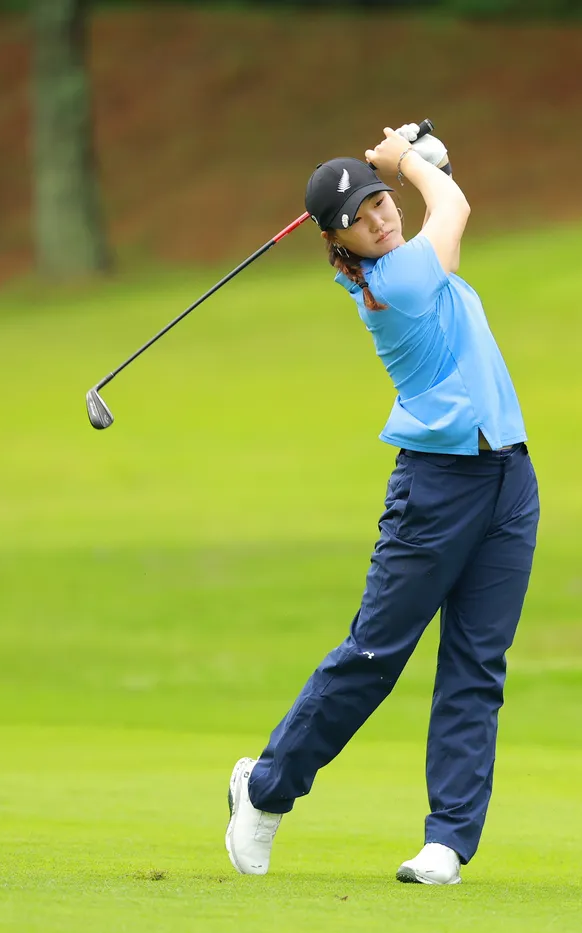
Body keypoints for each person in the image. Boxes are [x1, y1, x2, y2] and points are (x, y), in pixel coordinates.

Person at [224, 124, 540, 886]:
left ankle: (448, 842)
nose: (378, 216)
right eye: (359, 217)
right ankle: (264, 789)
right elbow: (453, 210)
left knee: (476, 664)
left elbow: (442, 205)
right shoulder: (391, 285)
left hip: (509, 479)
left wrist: (421, 159)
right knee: (374, 657)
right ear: (339, 242)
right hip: (436, 489)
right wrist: (405, 161)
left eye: (379, 201)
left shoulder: (411, 262)